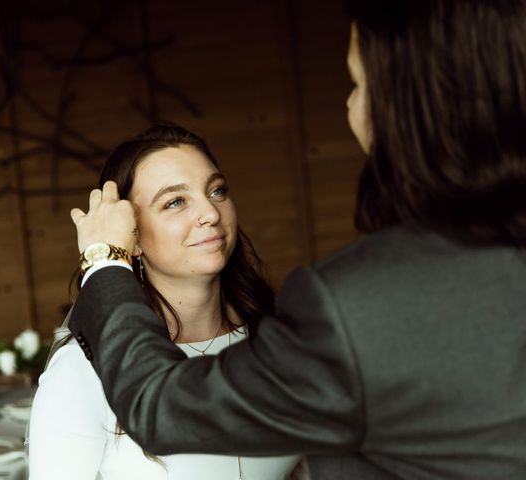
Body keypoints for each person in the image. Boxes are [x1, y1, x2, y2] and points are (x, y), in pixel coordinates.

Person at [66, 0, 526, 478]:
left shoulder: (350, 312)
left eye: (356, 83)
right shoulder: (76, 376)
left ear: (407, 102)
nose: (349, 104)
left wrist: (103, 259)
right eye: (174, 201)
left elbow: (158, 404)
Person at [28, 124, 307, 479]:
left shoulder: (276, 334)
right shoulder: (83, 370)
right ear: (130, 237)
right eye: (176, 201)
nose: (210, 212)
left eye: (217, 190)